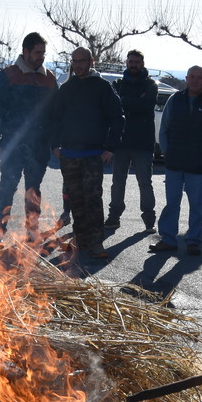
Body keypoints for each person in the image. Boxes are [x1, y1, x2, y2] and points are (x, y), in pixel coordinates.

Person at [0, 32, 58, 243]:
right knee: (7, 188)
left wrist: (55, 144)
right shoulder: (7, 76)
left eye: (43, 53)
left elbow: (55, 115)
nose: (41, 56)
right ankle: (0, 232)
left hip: (38, 146)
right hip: (12, 144)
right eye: (36, 52)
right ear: (25, 51)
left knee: (33, 191)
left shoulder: (50, 79)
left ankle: (32, 230)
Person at [50, 46, 124, 260]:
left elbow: (118, 118)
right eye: (75, 61)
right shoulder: (66, 88)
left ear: (91, 62)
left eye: (82, 60)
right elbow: (55, 118)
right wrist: (55, 145)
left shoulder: (103, 87)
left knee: (93, 199)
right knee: (76, 200)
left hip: (93, 154)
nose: (78, 64)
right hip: (69, 155)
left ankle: (96, 242)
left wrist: (110, 147)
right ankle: (80, 240)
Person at [148, 66, 202, 257]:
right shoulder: (175, 100)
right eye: (192, 77)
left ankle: (193, 241)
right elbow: (164, 128)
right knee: (172, 203)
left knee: (196, 206)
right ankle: (168, 239)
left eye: (200, 78)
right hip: (175, 162)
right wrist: (165, 150)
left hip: (198, 164)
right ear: (187, 79)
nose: (195, 80)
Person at [106, 49, 158, 233]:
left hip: (143, 143)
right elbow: (113, 107)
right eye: (131, 61)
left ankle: (149, 220)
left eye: (137, 62)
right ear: (126, 63)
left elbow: (145, 105)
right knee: (117, 182)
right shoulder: (118, 84)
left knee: (145, 182)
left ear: (142, 64)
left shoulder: (151, 85)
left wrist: (125, 101)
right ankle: (114, 217)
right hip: (120, 142)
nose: (133, 65)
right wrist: (134, 101)